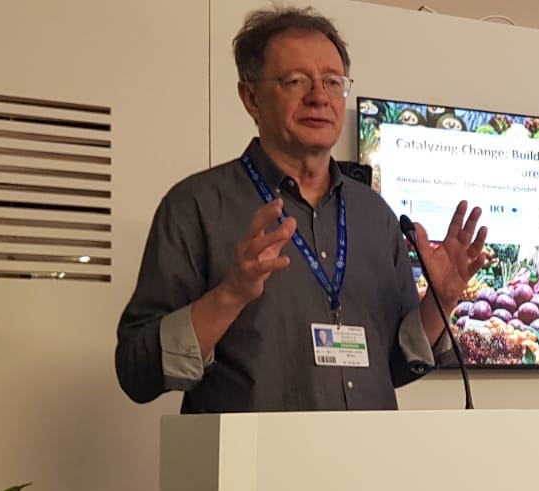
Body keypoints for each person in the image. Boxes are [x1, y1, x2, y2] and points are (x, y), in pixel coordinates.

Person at [115, 6, 486, 413]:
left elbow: (396, 364)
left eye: (332, 81)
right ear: (251, 97)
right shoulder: (195, 207)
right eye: (296, 81)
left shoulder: (375, 216)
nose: (319, 96)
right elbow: (137, 371)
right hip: (253, 470)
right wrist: (231, 294)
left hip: (369, 466)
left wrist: (443, 301)